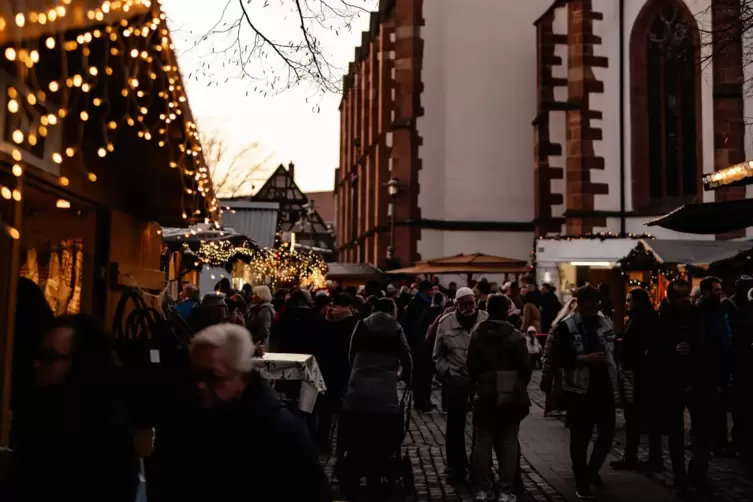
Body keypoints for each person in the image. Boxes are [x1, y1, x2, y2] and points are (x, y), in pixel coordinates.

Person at [156, 324, 332, 501]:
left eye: (214, 377)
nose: (201, 385)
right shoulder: (182, 419)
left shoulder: (280, 431)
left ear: (242, 376)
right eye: (196, 375)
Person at [12, 315, 139, 501]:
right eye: (38, 355)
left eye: (49, 358)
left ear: (81, 365)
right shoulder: (36, 413)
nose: (36, 364)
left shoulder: (104, 434)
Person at [550, 286, 618, 499]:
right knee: (580, 437)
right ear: (578, 304)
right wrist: (583, 359)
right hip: (579, 388)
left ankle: (590, 471)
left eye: (595, 304)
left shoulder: (605, 321)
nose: (591, 308)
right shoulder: (566, 326)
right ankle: (582, 481)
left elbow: (614, 350)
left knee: (607, 434)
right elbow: (558, 357)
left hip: (604, 384)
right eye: (587, 304)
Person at [339, 297, 412, 494]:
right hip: (385, 396)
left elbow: (351, 353)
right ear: (392, 311)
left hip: (358, 392)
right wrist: (404, 378)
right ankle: (381, 467)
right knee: (386, 434)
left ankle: (354, 466)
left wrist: (356, 372)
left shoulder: (361, 325)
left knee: (356, 433)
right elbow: (407, 358)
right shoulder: (396, 329)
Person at [468, 294, 531, 502]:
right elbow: (525, 369)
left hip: (484, 391)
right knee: (508, 441)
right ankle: (506, 489)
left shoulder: (478, 333)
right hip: (509, 391)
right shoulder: (516, 336)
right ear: (506, 310)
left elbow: (471, 365)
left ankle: (482, 488)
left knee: (482, 441)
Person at [433, 287, 489, 482]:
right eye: (463, 304)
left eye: (471, 304)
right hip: (455, 381)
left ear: (476, 303)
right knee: (455, 426)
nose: (468, 308)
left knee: (481, 426)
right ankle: (455, 466)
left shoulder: (486, 320)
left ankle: (479, 465)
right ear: (456, 304)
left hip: (480, 382)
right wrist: (447, 373)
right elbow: (437, 355)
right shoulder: (445, 323)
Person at [610, 288, 656, 470]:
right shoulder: (640, 318)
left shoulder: (642, 320)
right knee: (636, 417)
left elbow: (638, 346)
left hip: (638, 375)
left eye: (629, 300)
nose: (626, 303)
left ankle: (635, 457)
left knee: (635, 416)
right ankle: (638, 456)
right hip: (635, 374)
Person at [317, 293, 360, 451]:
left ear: (334, 303)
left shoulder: (326, 321)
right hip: (347, 367)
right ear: (349, 305)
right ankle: (346, 444)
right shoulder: (355, 322)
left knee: (326, 407)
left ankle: (323, 441)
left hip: (327, 366)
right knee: (348, 407)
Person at [401, 280, 435, 412]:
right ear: (426, 290)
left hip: (420, 344)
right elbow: (412, 325)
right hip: (420, 344)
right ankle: (421, 402)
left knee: (423, 374)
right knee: (422, 374)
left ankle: (423, 400)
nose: (433, 292)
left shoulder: (419, 301)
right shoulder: (419, 304)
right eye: (431, 289)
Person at [271, 289, 324, 354]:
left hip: (287, 350)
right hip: (306, 350)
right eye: (309, 297)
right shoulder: (313, 315)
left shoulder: (286, 313)